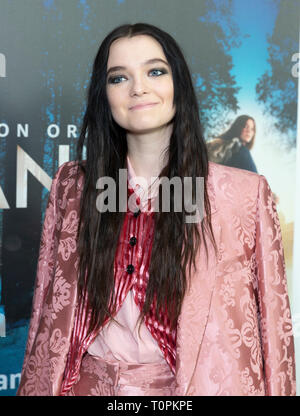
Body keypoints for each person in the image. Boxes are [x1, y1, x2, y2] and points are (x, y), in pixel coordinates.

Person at [17, 23, 295, 396]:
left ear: (178, 83)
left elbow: (275, 333)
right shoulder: (72, 186)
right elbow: (44, 314)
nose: (138, 88)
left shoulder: (243, 195)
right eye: (118, 78)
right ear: (105, 94)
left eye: (155, 71)